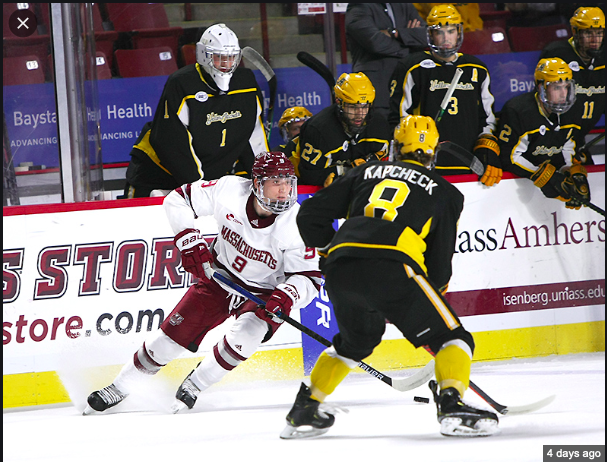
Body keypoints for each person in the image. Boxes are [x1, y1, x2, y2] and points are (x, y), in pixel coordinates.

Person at [280, 115, 499, 439]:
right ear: (434, 152)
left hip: (341, 267)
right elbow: (439, 262)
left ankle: (305, 409)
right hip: (394, 267)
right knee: (454, 339)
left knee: (356, 342)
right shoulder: (446, 193)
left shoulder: (364, 172)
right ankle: (452, 404)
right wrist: (427, 298)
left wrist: (330, 248)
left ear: (396, 147)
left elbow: (310, 214)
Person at [84, 151, 322, 415]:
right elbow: (178, 199)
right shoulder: (229, 190)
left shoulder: (299, 223)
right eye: (276, 182)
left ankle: (195, 385)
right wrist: (187, 238)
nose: (285, 190)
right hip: (219, 277)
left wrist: (287, 296)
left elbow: (310, 277)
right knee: (168, 340)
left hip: (264, 294)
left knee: (247, 336)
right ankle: (119, 387)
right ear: (256, 183)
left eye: (288, 182)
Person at [122, 23, 269, 198]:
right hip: (155, 176)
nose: (226, 64)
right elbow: (171, 142)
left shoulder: (247, 84)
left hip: (203, 182)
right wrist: (201, 186)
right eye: (219, 57)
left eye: (231, 57)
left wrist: (264, 177)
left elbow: (254, 137)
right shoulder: (182, 83)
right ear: (203, 55)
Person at [389, 4, 502, 187]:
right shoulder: (412, 67)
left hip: (468, 162)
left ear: (459, 32)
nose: (446, 38)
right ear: (430, 35)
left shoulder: (477, 68)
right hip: (427, 164)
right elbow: (399, 118)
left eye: (451, 31)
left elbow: (487, 118)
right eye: (439, 32)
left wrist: (487, 149)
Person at [497, 57, 590, 210]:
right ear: (541, 88)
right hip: (512, 193)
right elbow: (509, 157)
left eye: (566, 87)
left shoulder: (574, 111)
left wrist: (568, 171)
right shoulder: (518, 111)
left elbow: (567, 146)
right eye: (556, 87)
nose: (563, 94)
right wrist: (543, 176)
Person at [291, 72, 391, 187]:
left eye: (365, 106)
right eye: (353, 107)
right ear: (339, 102)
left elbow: (383, 163)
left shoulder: (379, 126)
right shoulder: (319, 129)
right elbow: (310, 176)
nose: (360, 114)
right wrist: (348, 170)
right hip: (295, 179)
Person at [540, 6, 605, 164]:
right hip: (550, 141)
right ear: (575, 32)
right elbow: (542, 102)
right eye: (588, 33)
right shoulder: (557, 56)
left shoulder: (603, 59)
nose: (595, 40)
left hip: (578, 141)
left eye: (599, 32)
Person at [345, 3, 427, 120]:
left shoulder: (404, 5)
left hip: (408, 89)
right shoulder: (358, 7)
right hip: (379, 92)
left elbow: (426, 36)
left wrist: (395, 33)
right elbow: (375, 43)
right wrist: (409, 43)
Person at [413, 3, 483, 32]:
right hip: (436, 34)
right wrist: (466, 29)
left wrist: (475, 29)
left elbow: (473, 13)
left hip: (464, 32)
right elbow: (442, 16)